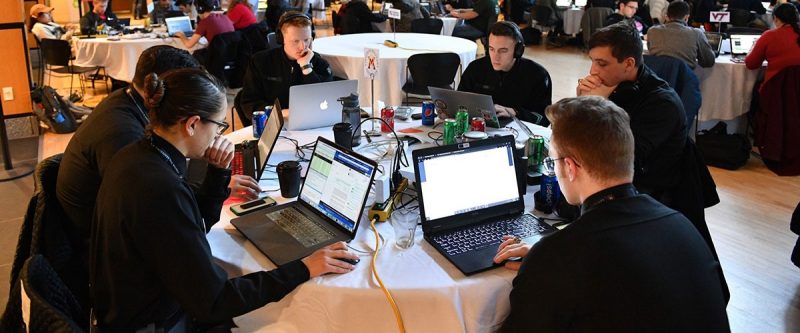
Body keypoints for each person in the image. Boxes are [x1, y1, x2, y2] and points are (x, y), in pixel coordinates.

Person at [90, 68, 359, 331]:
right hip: (154, 322)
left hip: (127, 304)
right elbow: (214, 301)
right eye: (219, 125)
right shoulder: (160, 189)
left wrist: (217, 174)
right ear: (193, 124)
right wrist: (304, 267)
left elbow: (193, 226)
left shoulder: (139, 155)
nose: (220, 135)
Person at [493, 96, 731, 332]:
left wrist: (543, 266)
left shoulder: (560, 255)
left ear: (570, 167)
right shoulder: (683, 227)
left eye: (552, 160)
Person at [57, 45, 262, 273]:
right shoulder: (124, 135)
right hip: (106, 253)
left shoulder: (125, 100)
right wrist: (215, 186)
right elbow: (163, 208)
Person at [576, 23, 725, 277]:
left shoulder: (661, 104)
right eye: (592, 61)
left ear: (629, 63)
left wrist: (599, 108)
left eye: (602, 63)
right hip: (616, 189)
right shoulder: (615, 89)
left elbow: (618, 162)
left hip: (649, 198)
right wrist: (584, 106)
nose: (593, 71)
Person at [237, 12, 332, 122]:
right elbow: (249, 103)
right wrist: (280, 113)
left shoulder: (320, 64)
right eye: (296, 41)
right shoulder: (260, 62)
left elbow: (324, 100)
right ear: (281, 39)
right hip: (272, 123)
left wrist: (307, 68)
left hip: (311, 123)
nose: (302, 46)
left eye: (306, 39)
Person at [458, 21, 553, 126]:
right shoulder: (475, 68)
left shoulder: (538, 75)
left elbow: (544, 118)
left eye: (503, 51)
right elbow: (459, 103)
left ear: (518, 50)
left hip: (520, 133)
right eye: (491, 49)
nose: (495, 57)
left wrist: (515, 112)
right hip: (478, 130)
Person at [745, 3, 800, 91]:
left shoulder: (770, 36)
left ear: (775, 19)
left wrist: (754, 45)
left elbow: (751, 64)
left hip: (775, 92)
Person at [647, 1, 715, 69]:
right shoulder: (696, 33)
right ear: (686, 18)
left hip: (657, 77)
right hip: (683, 78)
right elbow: (708, 62)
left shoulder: (652, 31)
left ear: (667, 17)